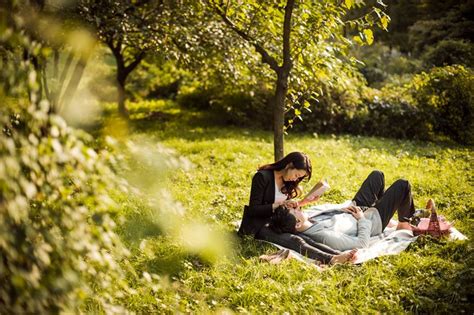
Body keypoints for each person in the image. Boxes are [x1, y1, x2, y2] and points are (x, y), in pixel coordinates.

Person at [238, 152, 356, 264]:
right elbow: (253, 210)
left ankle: (341, 254)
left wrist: (302, 202)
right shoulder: (262, 177)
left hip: (280, 221)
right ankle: (332, 259)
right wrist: (277, 205)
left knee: (307, 239)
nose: (295, 180)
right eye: (296, 175)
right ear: (289, 165)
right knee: (295, 240)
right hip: (260, 225)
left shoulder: (288, 181)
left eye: (299, 177)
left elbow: (285, 206)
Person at [268, 170, 426, 251]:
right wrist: (362, 219)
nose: (298, 208)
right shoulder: (324, 237)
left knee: (377, 175)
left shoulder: (305, 222)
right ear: (297, 224)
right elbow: (362, 243)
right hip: (370, 220)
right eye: (296, 211)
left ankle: (392, 210)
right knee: (403, 185)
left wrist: (342, 211)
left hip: (353, 209)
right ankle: (406, 223)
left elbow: (329, 217)